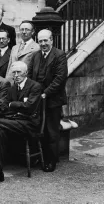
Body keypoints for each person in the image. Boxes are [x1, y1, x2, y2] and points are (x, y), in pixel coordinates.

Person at [28, 29, 68, 172]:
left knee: (51, 131)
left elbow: (60, 79)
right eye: (40, 41)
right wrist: (33, 93)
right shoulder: (35, 56)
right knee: (40, 129)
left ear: (51, 40)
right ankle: (41, 157)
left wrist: (45, 93)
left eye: (46, 40)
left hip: (53, 100)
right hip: (38, 99)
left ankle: (51, 160)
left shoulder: (59, 55)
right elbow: (31, 76)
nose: (43, 44)